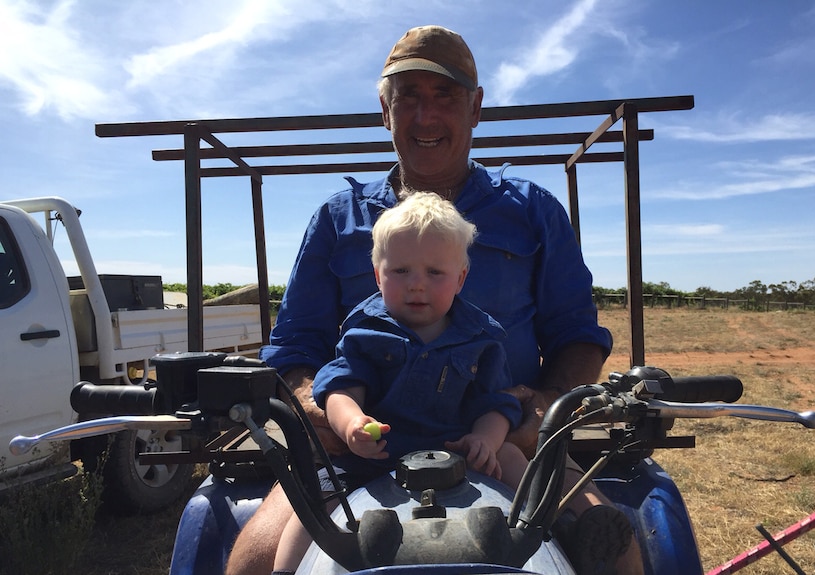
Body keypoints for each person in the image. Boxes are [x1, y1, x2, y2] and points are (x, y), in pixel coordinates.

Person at [226, 24, 643, 575]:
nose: (425, 117)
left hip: (507, 439)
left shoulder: (531, 210)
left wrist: (543, 406)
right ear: (385, 110)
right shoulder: (336, 218)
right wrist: (319, 406)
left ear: (475, 108)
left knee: (617, 555)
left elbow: (577, 334)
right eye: (408, 98)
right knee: (252, 562)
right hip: (357, 449)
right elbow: (294, 344)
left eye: (444, 96)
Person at [272, 192, 529, 573]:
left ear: (460, 278)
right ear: (378, 275)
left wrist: (485, 441)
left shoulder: (481, 338)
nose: (417, 285)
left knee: (515, 461)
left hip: (456, 453)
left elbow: (495, 402)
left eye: (434, 273)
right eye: (401, 271)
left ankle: (553, 533)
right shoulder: (365, 331)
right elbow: (341, 388)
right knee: (317, 501)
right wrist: (352, 425)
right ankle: (284, 569)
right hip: (375, 455)